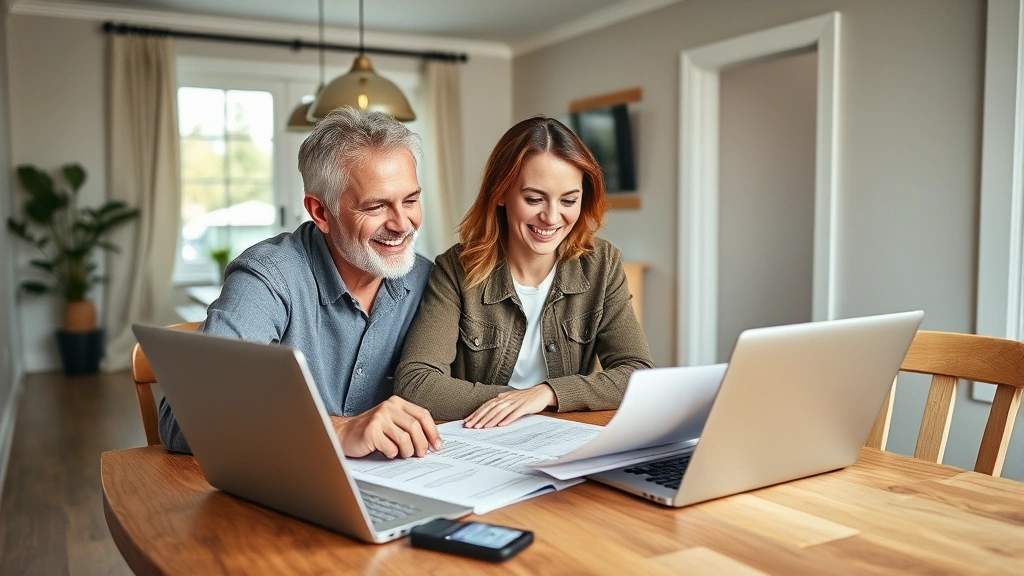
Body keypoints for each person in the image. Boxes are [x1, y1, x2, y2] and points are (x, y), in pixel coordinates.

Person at [158, 107, 442, 459]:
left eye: (411, 200)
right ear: (321, 212)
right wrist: (337, 429)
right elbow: (183, 421)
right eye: (375, 207)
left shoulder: (429, 281)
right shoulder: (268, 277)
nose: (402, 224)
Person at [394, 116, 654, 428]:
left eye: (569, 200)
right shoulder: (456, 270)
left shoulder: (603, 265)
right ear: (500, 194)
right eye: (534, 199)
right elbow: (416, 383)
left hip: (562, 438)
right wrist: (516, 400)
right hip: (484, 441)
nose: (552, 217)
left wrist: (547, 393)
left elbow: (637, 373)